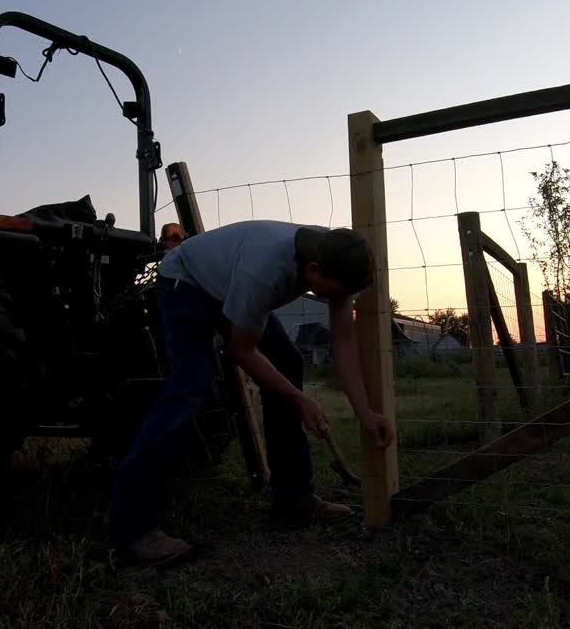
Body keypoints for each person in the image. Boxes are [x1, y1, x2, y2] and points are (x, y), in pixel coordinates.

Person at [111, 220, 396, 566]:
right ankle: (134, 529)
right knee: (191, 384)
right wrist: (299, 399)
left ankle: (294, 499)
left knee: (288, 362)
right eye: (334, 293)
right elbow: (241, 350)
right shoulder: (265, 272)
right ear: (313, 269)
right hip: (185, 281)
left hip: (228, 279)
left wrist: (365, 412)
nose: (337, 301)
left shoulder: (341, 255)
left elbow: (343, 339)